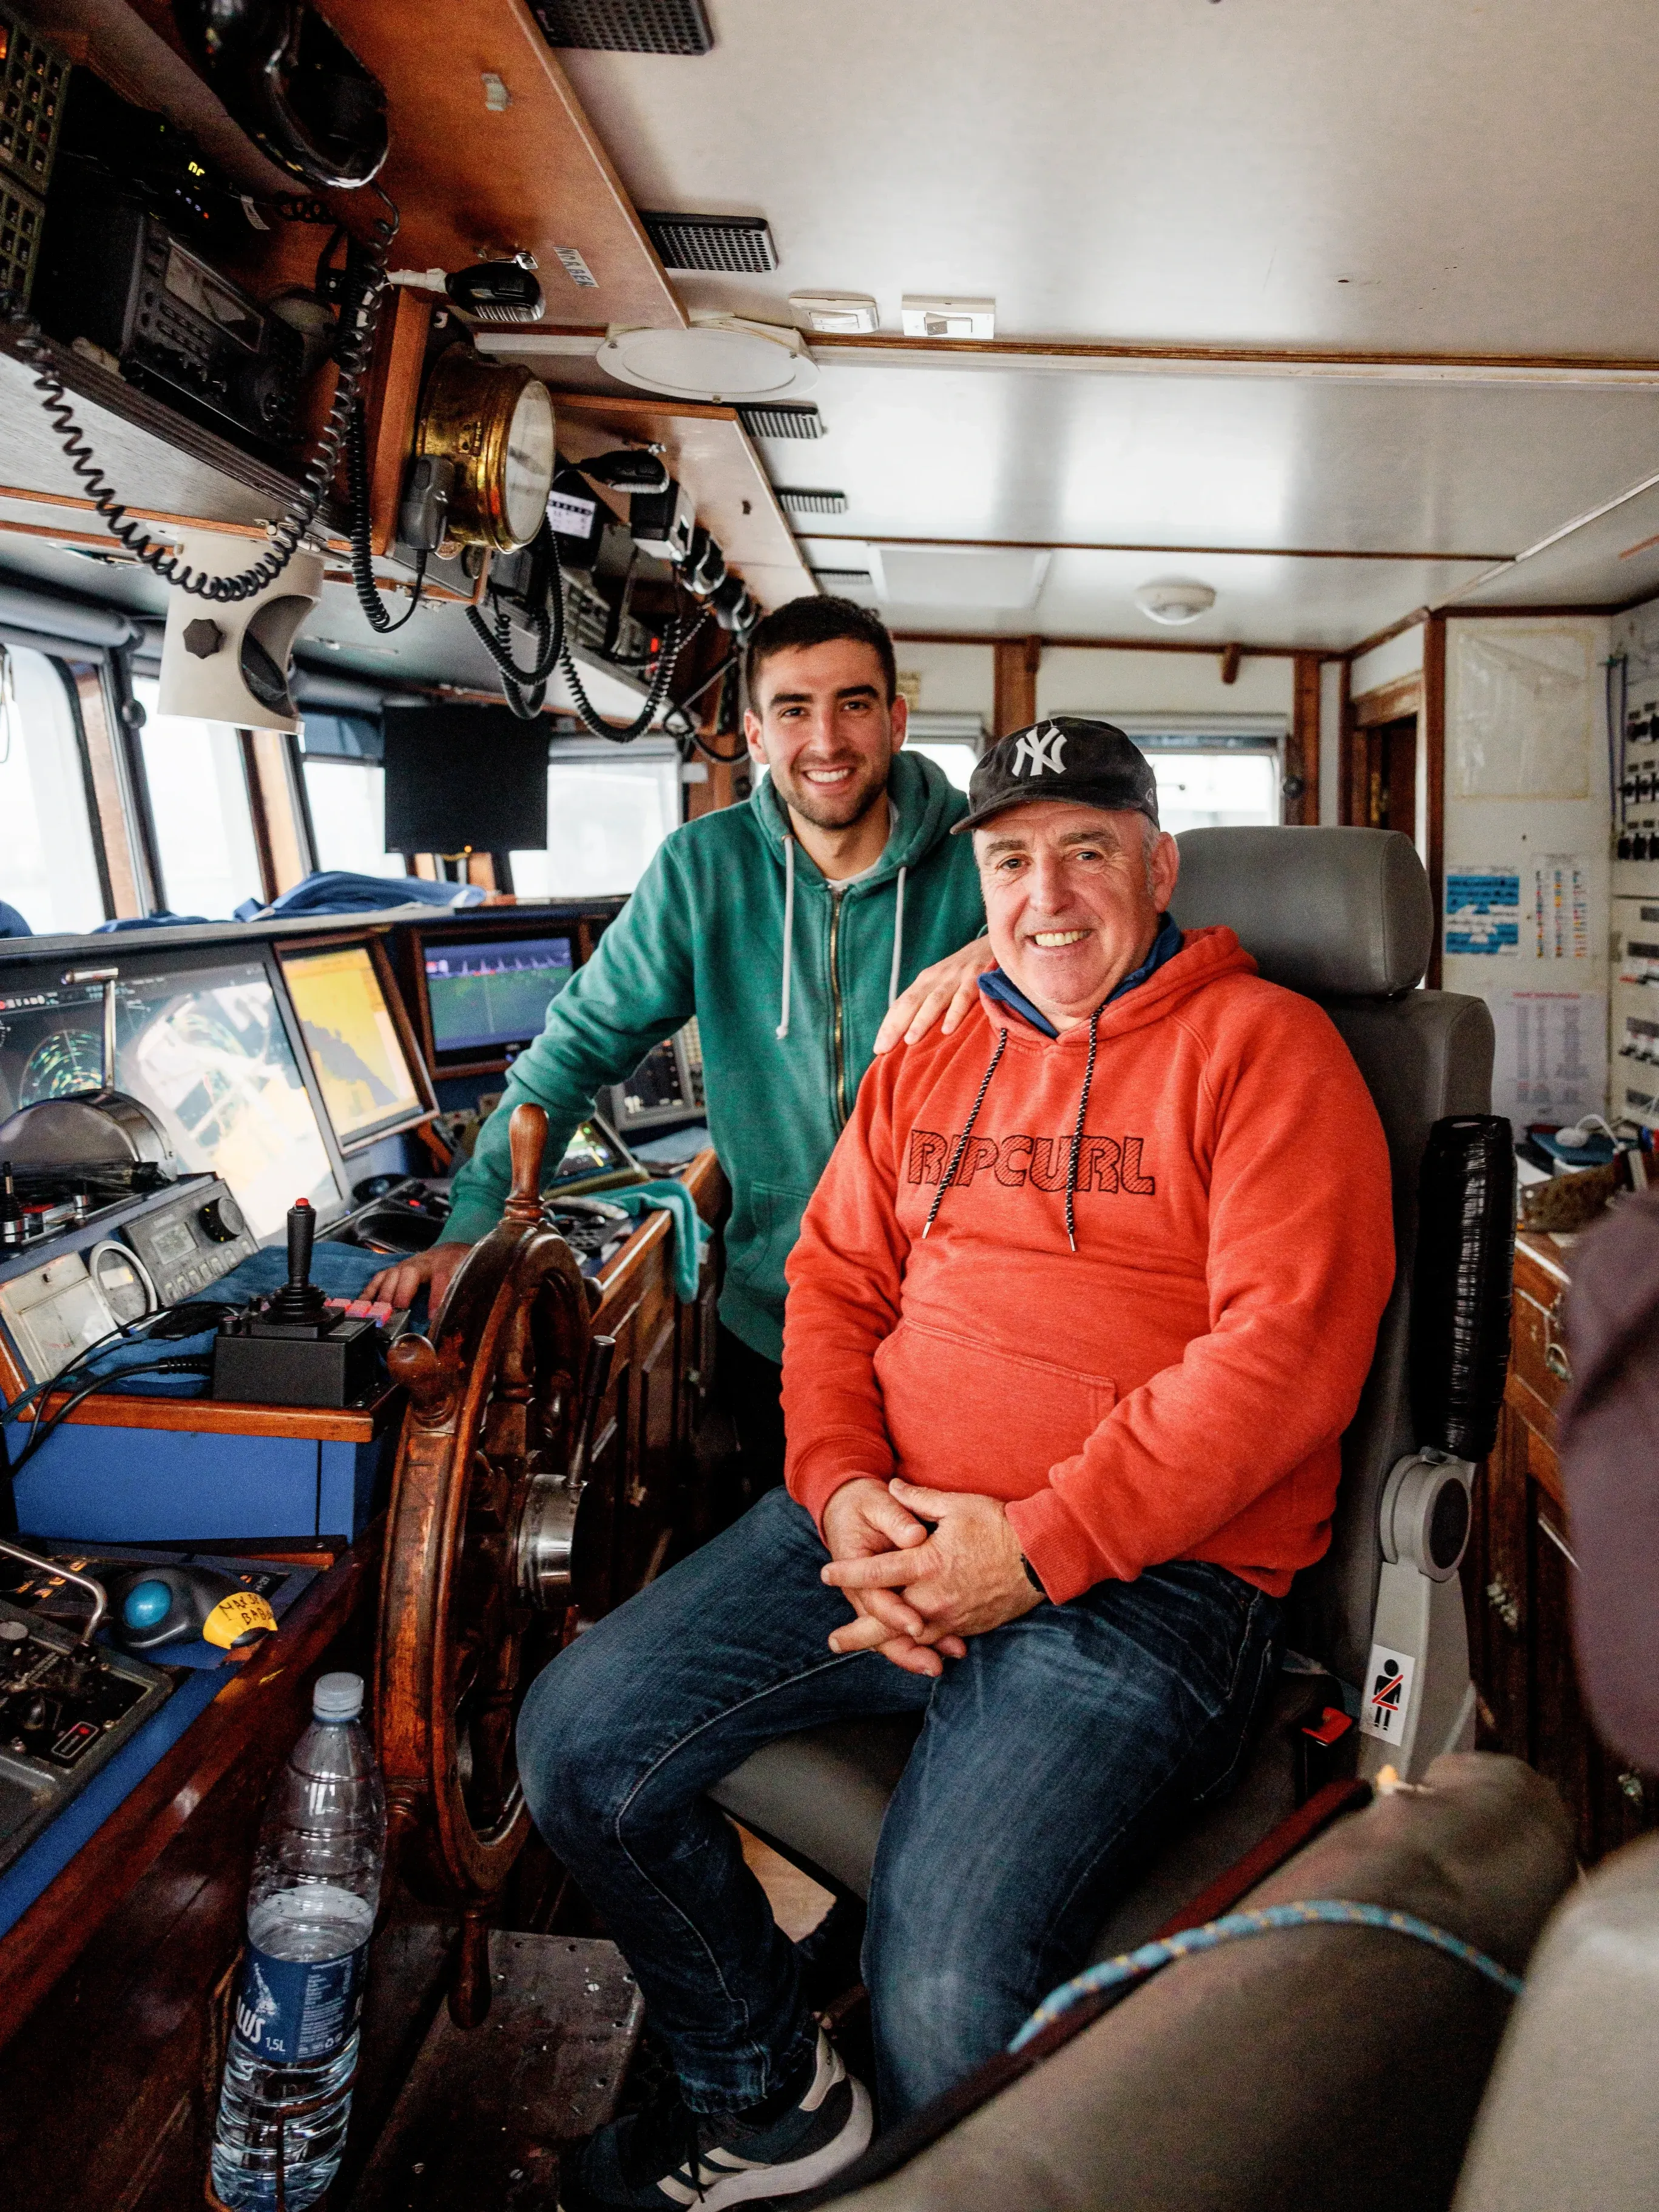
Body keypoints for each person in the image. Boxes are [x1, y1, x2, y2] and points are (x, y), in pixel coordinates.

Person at [518, 719, 1397, 2211]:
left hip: (1148, 1583)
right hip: (872, 1526)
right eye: (1010, 860)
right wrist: (843, 1486)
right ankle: (771, 2097)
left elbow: (1282, 1364)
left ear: (1157, 863)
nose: (1046, 894)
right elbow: (832, 1286)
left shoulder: (1271, 1053)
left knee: (943, 1977)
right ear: (975, 882)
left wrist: (1028, 1551)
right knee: (576, 1745)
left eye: (1086, 851)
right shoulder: (932, 1048)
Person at [365, 596, 990, 1487]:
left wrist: (988, 948)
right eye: (793, 709)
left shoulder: (989, 855)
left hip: (961, 1323)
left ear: (894, 719)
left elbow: (1140, 892)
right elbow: (574, 1049)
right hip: (778, 1319)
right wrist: (471, 1226)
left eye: (854, 704)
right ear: (754, 732)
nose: (826, 740)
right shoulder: (704, 868)